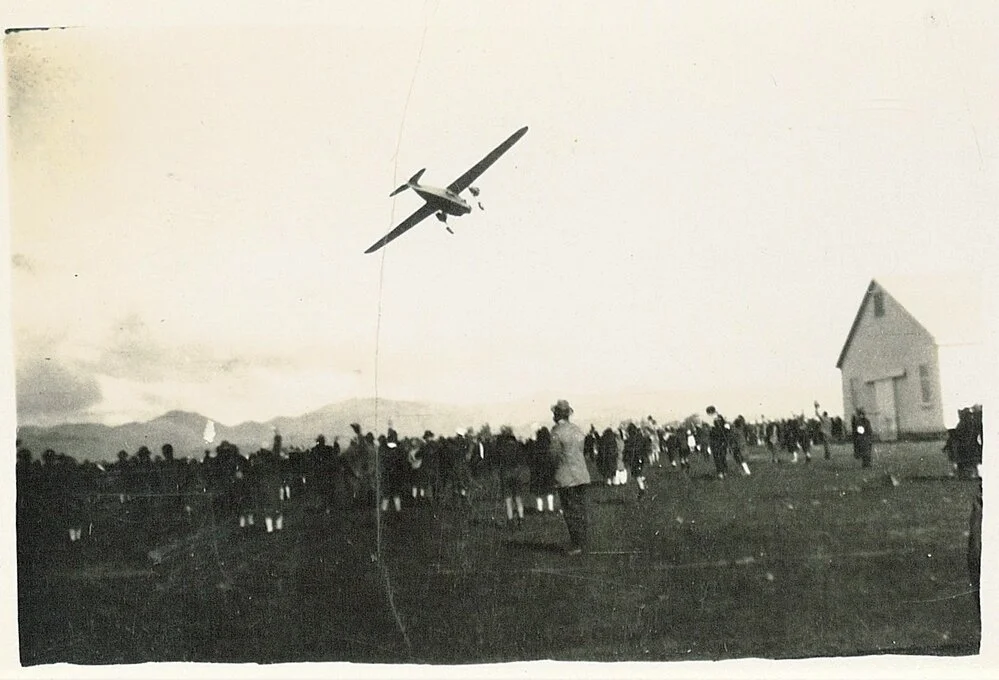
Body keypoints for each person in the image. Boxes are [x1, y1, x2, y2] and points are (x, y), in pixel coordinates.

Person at [548, 399, 590, 555]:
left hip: (566, 476)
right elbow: (581, 449)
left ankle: (576, 544)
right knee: (581, 509)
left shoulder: (556, 432)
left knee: (570, 511)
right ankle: (582, 541)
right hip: (582, 474)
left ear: (556, 415)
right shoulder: (577, 430)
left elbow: (553, 455)